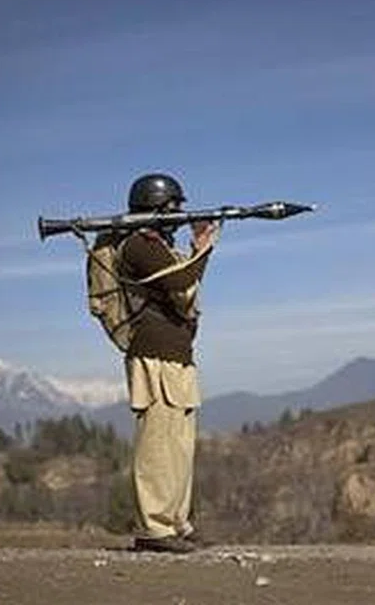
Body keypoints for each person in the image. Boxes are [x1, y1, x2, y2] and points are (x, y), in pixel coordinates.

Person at [116, 171, 219, 554]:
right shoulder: (139, 245)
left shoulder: (159, 245)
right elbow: (179, 282)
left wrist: (197, 250)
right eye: (173, 207)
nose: (177, 214)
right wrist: (203, 247)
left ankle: (176, 522)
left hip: (176, 355)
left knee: (179, 447)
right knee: (157, 445)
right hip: (154, 357)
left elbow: (182, 284)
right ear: (155, 207)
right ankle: (153, 528)